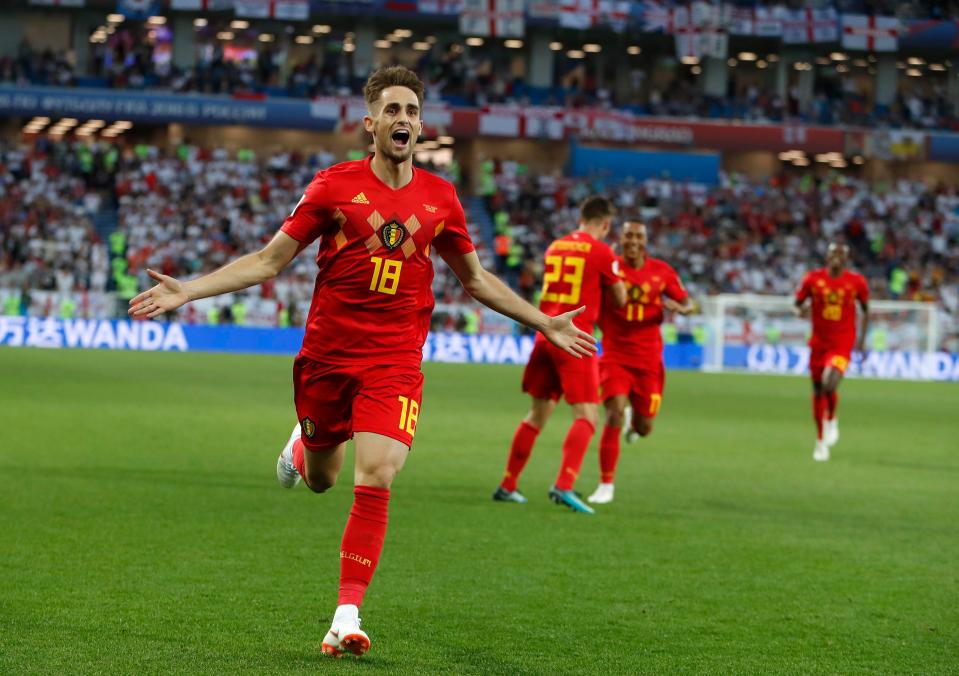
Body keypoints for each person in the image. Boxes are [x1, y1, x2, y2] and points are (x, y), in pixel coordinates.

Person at [128, 66, 595, 659]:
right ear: (370, 123)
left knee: (377, 471)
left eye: (412, 111)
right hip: (327, 356)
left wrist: (544, 320)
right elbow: (270, 262)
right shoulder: (331, 188)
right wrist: (190, 289)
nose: (404, 120)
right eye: (392, 110)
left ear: (422, 125)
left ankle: (345, 615)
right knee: (323, 479)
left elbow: (476, 280)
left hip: (395, 358)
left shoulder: (441, 198)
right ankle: (304, 444)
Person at [493, 196, 626, 514]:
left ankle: (508, 485)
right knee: (588, 416)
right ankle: (564, 485)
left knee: (536, 416)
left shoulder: (556, 245)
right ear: (605, 224)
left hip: (545, 333)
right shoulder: (602, 250)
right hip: (574, 338)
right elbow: (619, 300)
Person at [587, 220, 693, 505]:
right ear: (620, 239)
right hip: (615, 355)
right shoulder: (610, 267)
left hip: (648, 361)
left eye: (638, 236)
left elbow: (689, 304)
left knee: (645, 428)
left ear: (646, 241)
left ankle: (635, 424)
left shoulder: (662, 271)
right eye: (628, 235)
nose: (633, 240)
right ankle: (605, 484)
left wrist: (679, 307)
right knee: (614, 413)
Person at [794, 242, 869, 462]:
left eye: (841, 254)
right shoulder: (812, 279)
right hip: (818, 343)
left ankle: (832, 418)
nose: (836, 257)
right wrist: (800, 311)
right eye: (832, 253)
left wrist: (862, 341)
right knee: (818, 391)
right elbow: (797, 304)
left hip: (842, 343)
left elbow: (866, 311)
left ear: (846, 259)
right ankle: (820, 442)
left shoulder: (856, 282)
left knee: (830, 383)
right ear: (826, 257)